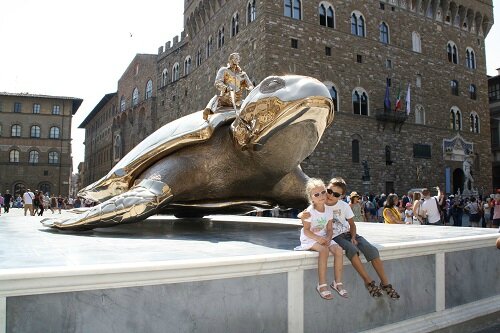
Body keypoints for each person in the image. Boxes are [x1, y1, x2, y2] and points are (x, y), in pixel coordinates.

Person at [302, 178, 400, 299]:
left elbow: (352, 224)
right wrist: (302, 214)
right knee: (352, 250)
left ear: (342, 196)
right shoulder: (320, 202)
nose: (330, 195)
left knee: (372, 250)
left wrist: (353, 236)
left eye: (336, 194)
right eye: (329, 191)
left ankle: (386, 284)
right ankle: (368, 282)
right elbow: (309, 211)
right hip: (335, 236)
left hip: (348, 233)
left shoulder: (344, 206)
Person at [295, 178, 347, 300]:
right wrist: (318, 239)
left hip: (324, 237)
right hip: (310, 238)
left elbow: (329, 229)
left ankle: (337, 282)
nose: (321, 196)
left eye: (323, 192)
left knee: (338, 250)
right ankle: (322, 284)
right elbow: (307, 231)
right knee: (324, 251)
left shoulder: (328, 210)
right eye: (316, 194)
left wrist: (328, 238)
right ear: (311, 197)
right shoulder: (309, 212)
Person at [203, 52, 254, 120]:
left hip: (238, 101)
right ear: (231, 60)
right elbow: (217, 82)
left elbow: (250, 84)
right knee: (216, 99)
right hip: (225, 99)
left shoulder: (242, 74)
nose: (237, 60)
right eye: (235, 58)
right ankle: (207, 111)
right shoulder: (224, 70)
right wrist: (226, 88)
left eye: (238, 59)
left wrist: (251, 88)